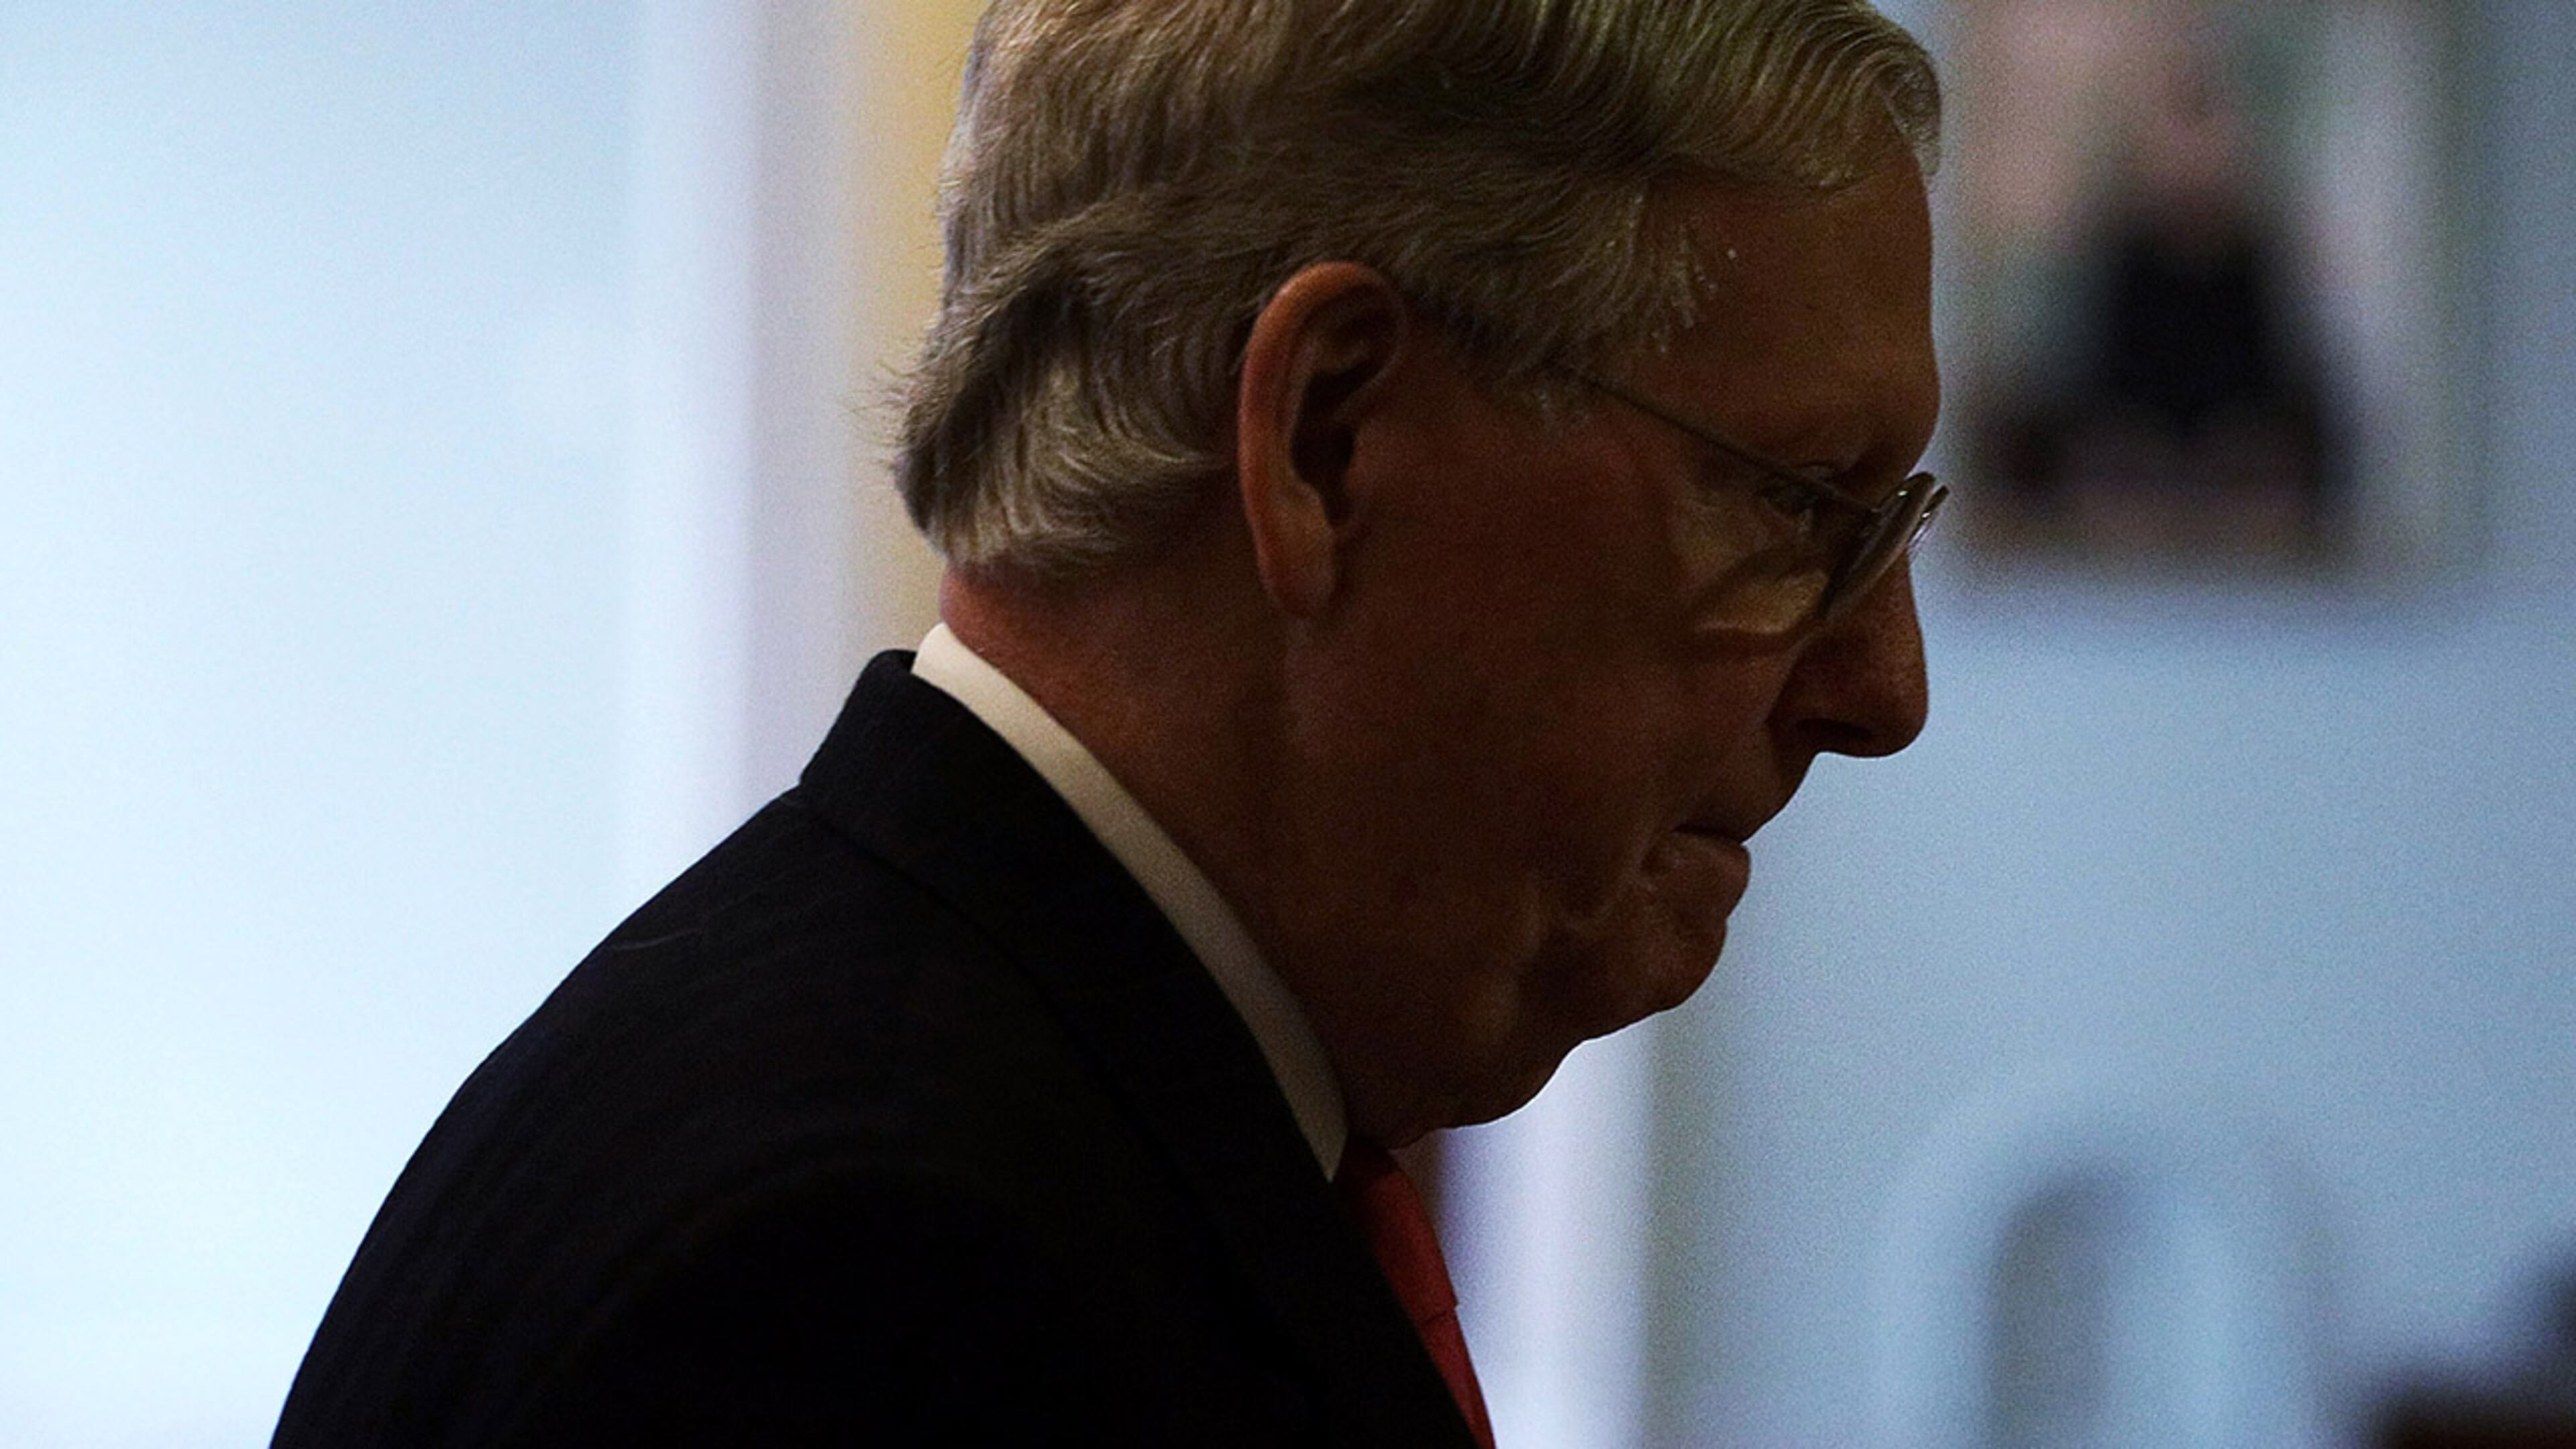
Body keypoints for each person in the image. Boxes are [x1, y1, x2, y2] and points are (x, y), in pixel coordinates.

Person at [270, 1, 1943, 1444]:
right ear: (1327, 444)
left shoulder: (983, 1107)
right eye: (1799, 511)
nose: (1883, 693)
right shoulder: (879, 1290)